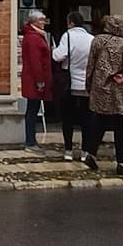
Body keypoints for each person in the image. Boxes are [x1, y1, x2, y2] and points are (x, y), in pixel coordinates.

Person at [81, 14, 123, 175]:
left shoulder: (97, 40)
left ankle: (91, 154)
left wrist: (89, 84)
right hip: (118, 89)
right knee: (120, 125)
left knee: (99, 121)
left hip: (100, 86)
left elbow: (91, 65)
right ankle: (120, 162)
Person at [52, 12, 95, 160]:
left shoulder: (68, 36)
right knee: (86, 118)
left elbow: (58, 56)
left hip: (70, 82)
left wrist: (53, 49)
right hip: (87, 83)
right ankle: (85, 151)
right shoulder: (91, 38)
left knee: (67, 118)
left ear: (71, 23)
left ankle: (68, 150)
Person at [18, 9, 52, 151]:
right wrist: (40, 81)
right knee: (32, 110)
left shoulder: (36, 36)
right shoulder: (33, 38)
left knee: (33, 109)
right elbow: (35, 61)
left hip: (34, 79)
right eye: (41, 20)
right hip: (34, 80)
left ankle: (31, 140)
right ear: (34, 21)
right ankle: (30, 142)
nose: (44, 22)